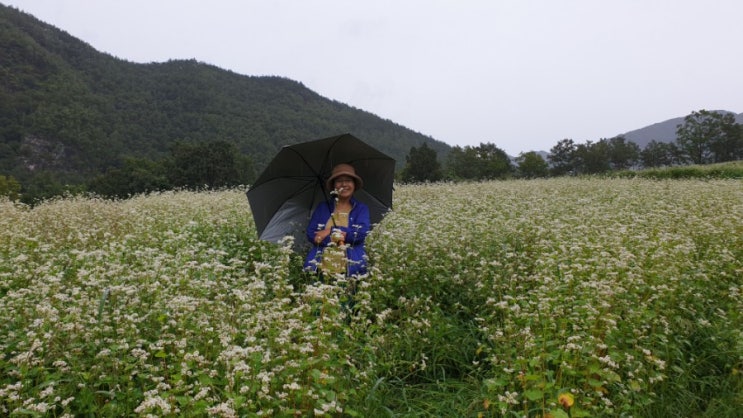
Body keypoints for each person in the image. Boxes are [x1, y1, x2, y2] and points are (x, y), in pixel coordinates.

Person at [303, 163, 370, 277]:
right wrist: (338, 235)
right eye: (339, 181)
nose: (344, 184)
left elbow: (360, 233)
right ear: (334, 185)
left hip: (351, 270)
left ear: (354, 184)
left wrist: (329, 231)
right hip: (320, 269)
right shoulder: (323, 207)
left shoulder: (361, 209)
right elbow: (312, 234)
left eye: (348, 180)